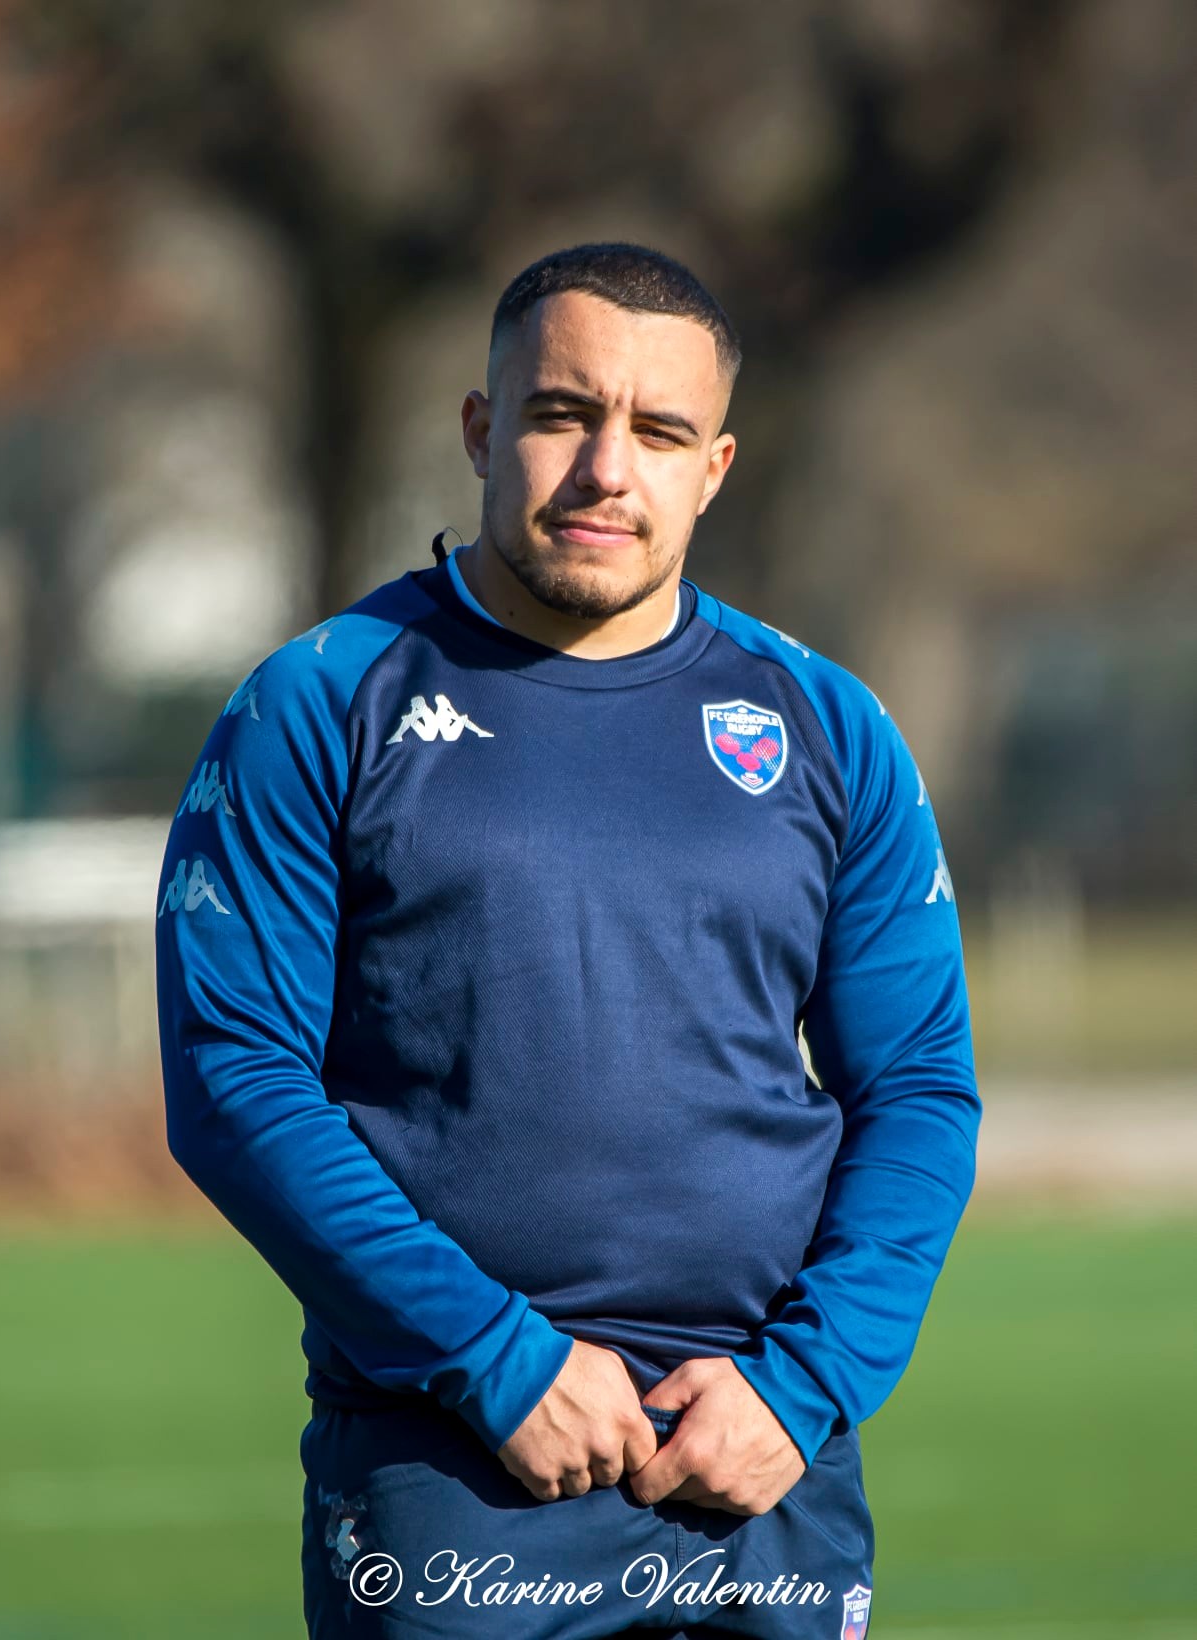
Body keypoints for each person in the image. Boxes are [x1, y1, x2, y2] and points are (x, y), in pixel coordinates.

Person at [156, 242, 980, 1639]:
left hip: (764, 1459)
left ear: (712, 469)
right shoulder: (322, 702)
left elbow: (916, 1091)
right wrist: (493, 1358)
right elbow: (237, 1084)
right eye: (562, 415)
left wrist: (805, 1384)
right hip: (456, 1468)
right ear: (482, 430)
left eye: (659, 432)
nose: (609, 469)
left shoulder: (829, 726)